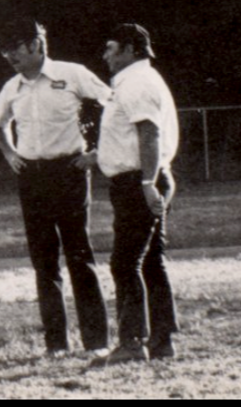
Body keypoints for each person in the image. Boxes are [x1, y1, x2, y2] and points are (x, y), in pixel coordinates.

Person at [0, 18, 110, 358]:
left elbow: (112, 104)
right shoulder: (12, 87)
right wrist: (10, 154)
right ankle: (56, 344)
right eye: (4, 50)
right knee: (44, 262)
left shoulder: (72, 73)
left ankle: (97, 342)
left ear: (37, 44)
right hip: (32, 177)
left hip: (69, 171)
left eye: (15, 47)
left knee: (79, 256)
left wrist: (97, 153)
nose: (9, 55)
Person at [90, 23, 179, 364]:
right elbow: (131, 137)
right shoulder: (138, 80)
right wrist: (97, 156)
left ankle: (132, 342)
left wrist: (146, 183)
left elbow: (149, 135)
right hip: (143, 179)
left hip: (138, 183)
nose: (105, 55)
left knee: (125, 262)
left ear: (130, 50)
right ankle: (162, 340)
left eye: (111, 48)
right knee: (151, 261)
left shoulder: (138, 82)